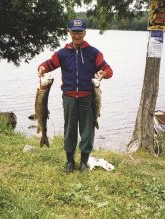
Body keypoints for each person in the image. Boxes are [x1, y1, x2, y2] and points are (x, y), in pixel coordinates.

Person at [37, 18, 113, 173]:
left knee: (87, 131)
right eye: (74, 32)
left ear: (85, 33)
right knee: (70, 130)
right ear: (69, 32)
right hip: (69, 98)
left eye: (79, 32)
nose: (76, 35)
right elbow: (49, 64)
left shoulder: (94, 53)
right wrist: (42, 67)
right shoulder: (63, 53)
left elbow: (109, 70)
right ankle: (70, 162)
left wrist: (103, 73)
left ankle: (84, 162)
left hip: (88, 99)